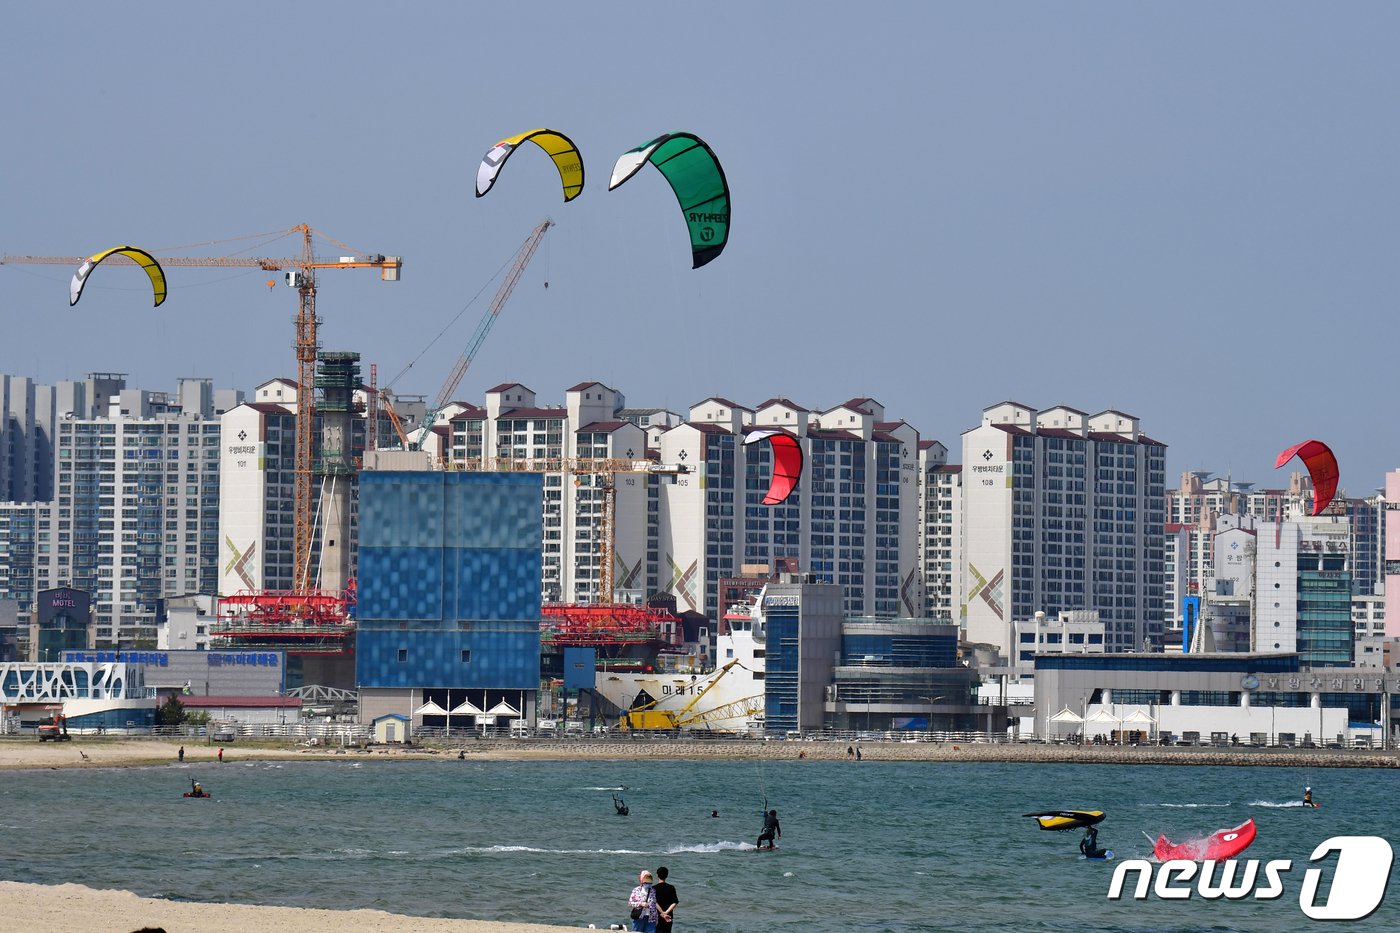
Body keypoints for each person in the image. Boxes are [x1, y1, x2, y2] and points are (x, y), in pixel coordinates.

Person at [652, 865, 678, 933]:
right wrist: (666, 913)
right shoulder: (671, 887)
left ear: (657, 875)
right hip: (669, 916)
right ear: (667, 875)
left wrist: (662, 913)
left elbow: (654, 902)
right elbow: (674, 903)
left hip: (657, 916)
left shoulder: (654, 888)